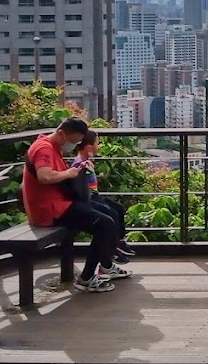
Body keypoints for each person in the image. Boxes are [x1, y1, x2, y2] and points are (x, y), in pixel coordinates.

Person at [22, 117, 129, 293]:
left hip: (59, 203)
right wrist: (70, 173)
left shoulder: (52, 147)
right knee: (104, 223)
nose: (73, 145)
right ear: (62, 133)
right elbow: (45, 176)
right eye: (73, 141)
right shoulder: (44, 149)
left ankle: (106, 265)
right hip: (50, 210)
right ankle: (86, 278)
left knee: (110, 213)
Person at [71, 130, 137, 264]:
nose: (99, 146)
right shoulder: (79, 164)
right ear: (89, 147)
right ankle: (112, 249)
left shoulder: (86, 161)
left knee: (118, 209)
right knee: (112, 213)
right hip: (91, 198)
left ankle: (119, 242)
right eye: (97, 143)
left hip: (95, 195)